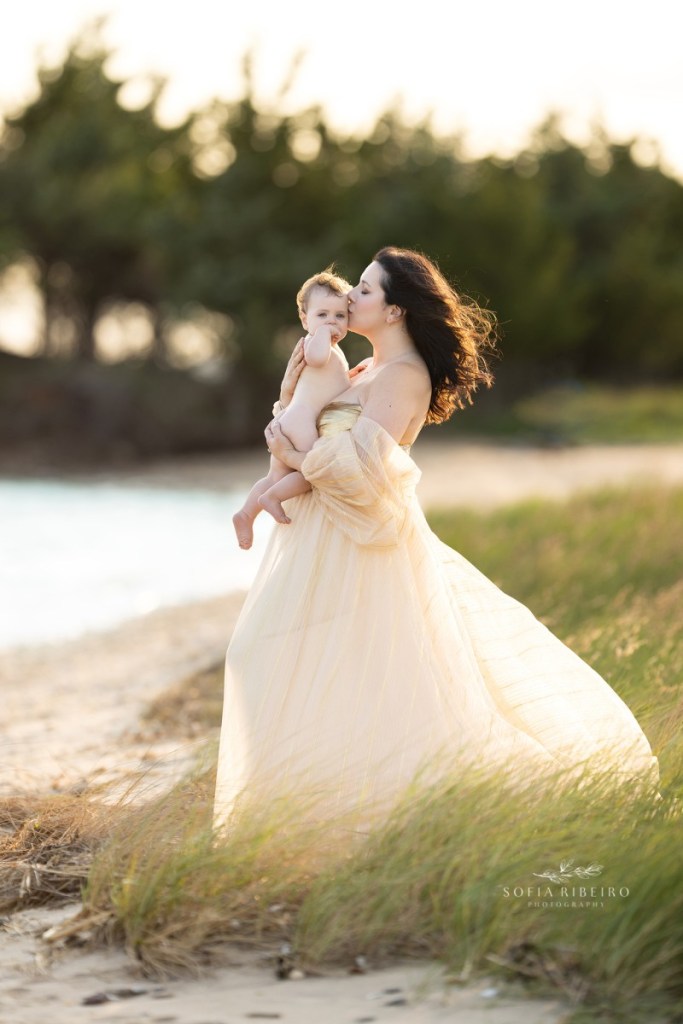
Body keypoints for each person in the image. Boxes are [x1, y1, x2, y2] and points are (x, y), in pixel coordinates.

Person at [214, 246, 659, 834]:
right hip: (318, 538)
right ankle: (294, 823)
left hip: (361, 546)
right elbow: (314, 426)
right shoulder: (363, 370)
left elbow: (364, 476)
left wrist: (287, 452)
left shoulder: (404, 376)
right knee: (284, 665)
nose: (350, 298)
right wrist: (287, 422)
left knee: (352, 679)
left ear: (395, 312)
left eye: (365, 290)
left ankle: (365, 822)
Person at [232, 269, 353, 550]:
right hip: (300, 420)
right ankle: (272, 498)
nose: (332, 322)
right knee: (314, 471)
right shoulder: (316, 344)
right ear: (304, 319)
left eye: (340, 316)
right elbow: (316, 358)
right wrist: (323, 333)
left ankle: (245, 514)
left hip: (290, 417)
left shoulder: (332, 348)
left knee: (277, 475)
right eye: (322, 315)